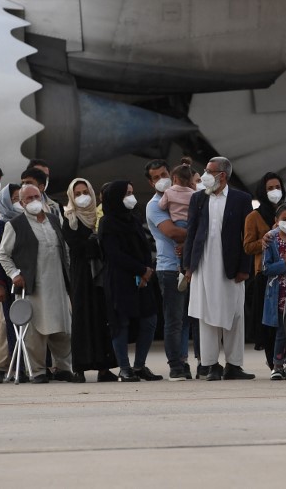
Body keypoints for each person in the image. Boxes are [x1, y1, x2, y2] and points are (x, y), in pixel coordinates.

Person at [184, 156, 256, 381]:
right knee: (206, 316)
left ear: (222, 175)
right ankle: (211, 365)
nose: (204, 174)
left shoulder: (241, 199)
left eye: (208, 170)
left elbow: (248, 236)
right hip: (204, 265)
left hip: (231, 267)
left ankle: (234, 365)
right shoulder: (198, 198)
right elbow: (191, 233)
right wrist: (187, 266)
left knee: (234, 315)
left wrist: (245, 267)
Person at [0, 184, 74, 383]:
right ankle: (38, 371)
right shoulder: (15, 224)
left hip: (57, 283)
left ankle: (64, 368)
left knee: (63, 329)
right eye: (29, 198)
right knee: (35, 332)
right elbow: (3, 255)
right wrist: (14, 274)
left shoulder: (53, 219)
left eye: (36, 196)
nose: (34, 201)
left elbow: (64, 250)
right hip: (34, 286)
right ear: (22, 203)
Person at [99, 181, 161, 382]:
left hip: (143, 277)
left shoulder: (133, 219)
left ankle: (140, 365)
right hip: (120, 279)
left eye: (132, 193)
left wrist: (147, 270)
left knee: (149, 320)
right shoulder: (107, 223)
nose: (131, 197)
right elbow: (114, 254)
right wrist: (141, 269)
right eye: (127, 193)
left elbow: (143, 247)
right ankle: (124, 368)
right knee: (121, 323)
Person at [62, 177, 117, 382]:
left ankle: (104, 368)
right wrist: (94, 243)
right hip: (81, 273)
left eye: (85, 192)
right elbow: (76, 246)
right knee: (82, 319)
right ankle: (80, 368)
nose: (82, 197)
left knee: (101, 318)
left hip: (100, 273)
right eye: (77, 194)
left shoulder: (99, 215)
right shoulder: (70, 218)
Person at [145, 159, 193, 381]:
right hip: (170, 269)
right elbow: (173, 232)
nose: (161, 180)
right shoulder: (155, 205)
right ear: (150, 182)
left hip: (190, 266)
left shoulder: (186, 195)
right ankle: (175, 365)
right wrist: (198, 233)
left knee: (186, 320)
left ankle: (184, 361)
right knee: (174, 319)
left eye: (164, 174)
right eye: (156, 177)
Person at [243, 171, 286, 375]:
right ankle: (273, 362)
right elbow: (247, 246)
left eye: (277, 187)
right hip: (265, 274)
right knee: (269, 321)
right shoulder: (254, 216)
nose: (274, 191)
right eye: (270, 188)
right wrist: (264, 242)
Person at [0, 184, 22, 384]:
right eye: (14, 198)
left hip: (26, 281)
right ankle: (14, 366)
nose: (18, 202)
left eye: (20, 198)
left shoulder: (27, 221)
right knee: (11, 324)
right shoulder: (0, 225)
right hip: (8, 282)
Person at [261, 205, 286, 380]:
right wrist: (285, 263)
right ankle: (277, 365)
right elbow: (266, 268)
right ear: (276, 221)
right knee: (281, 331)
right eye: (285, 218)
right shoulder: (271, 241)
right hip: (278, 293)